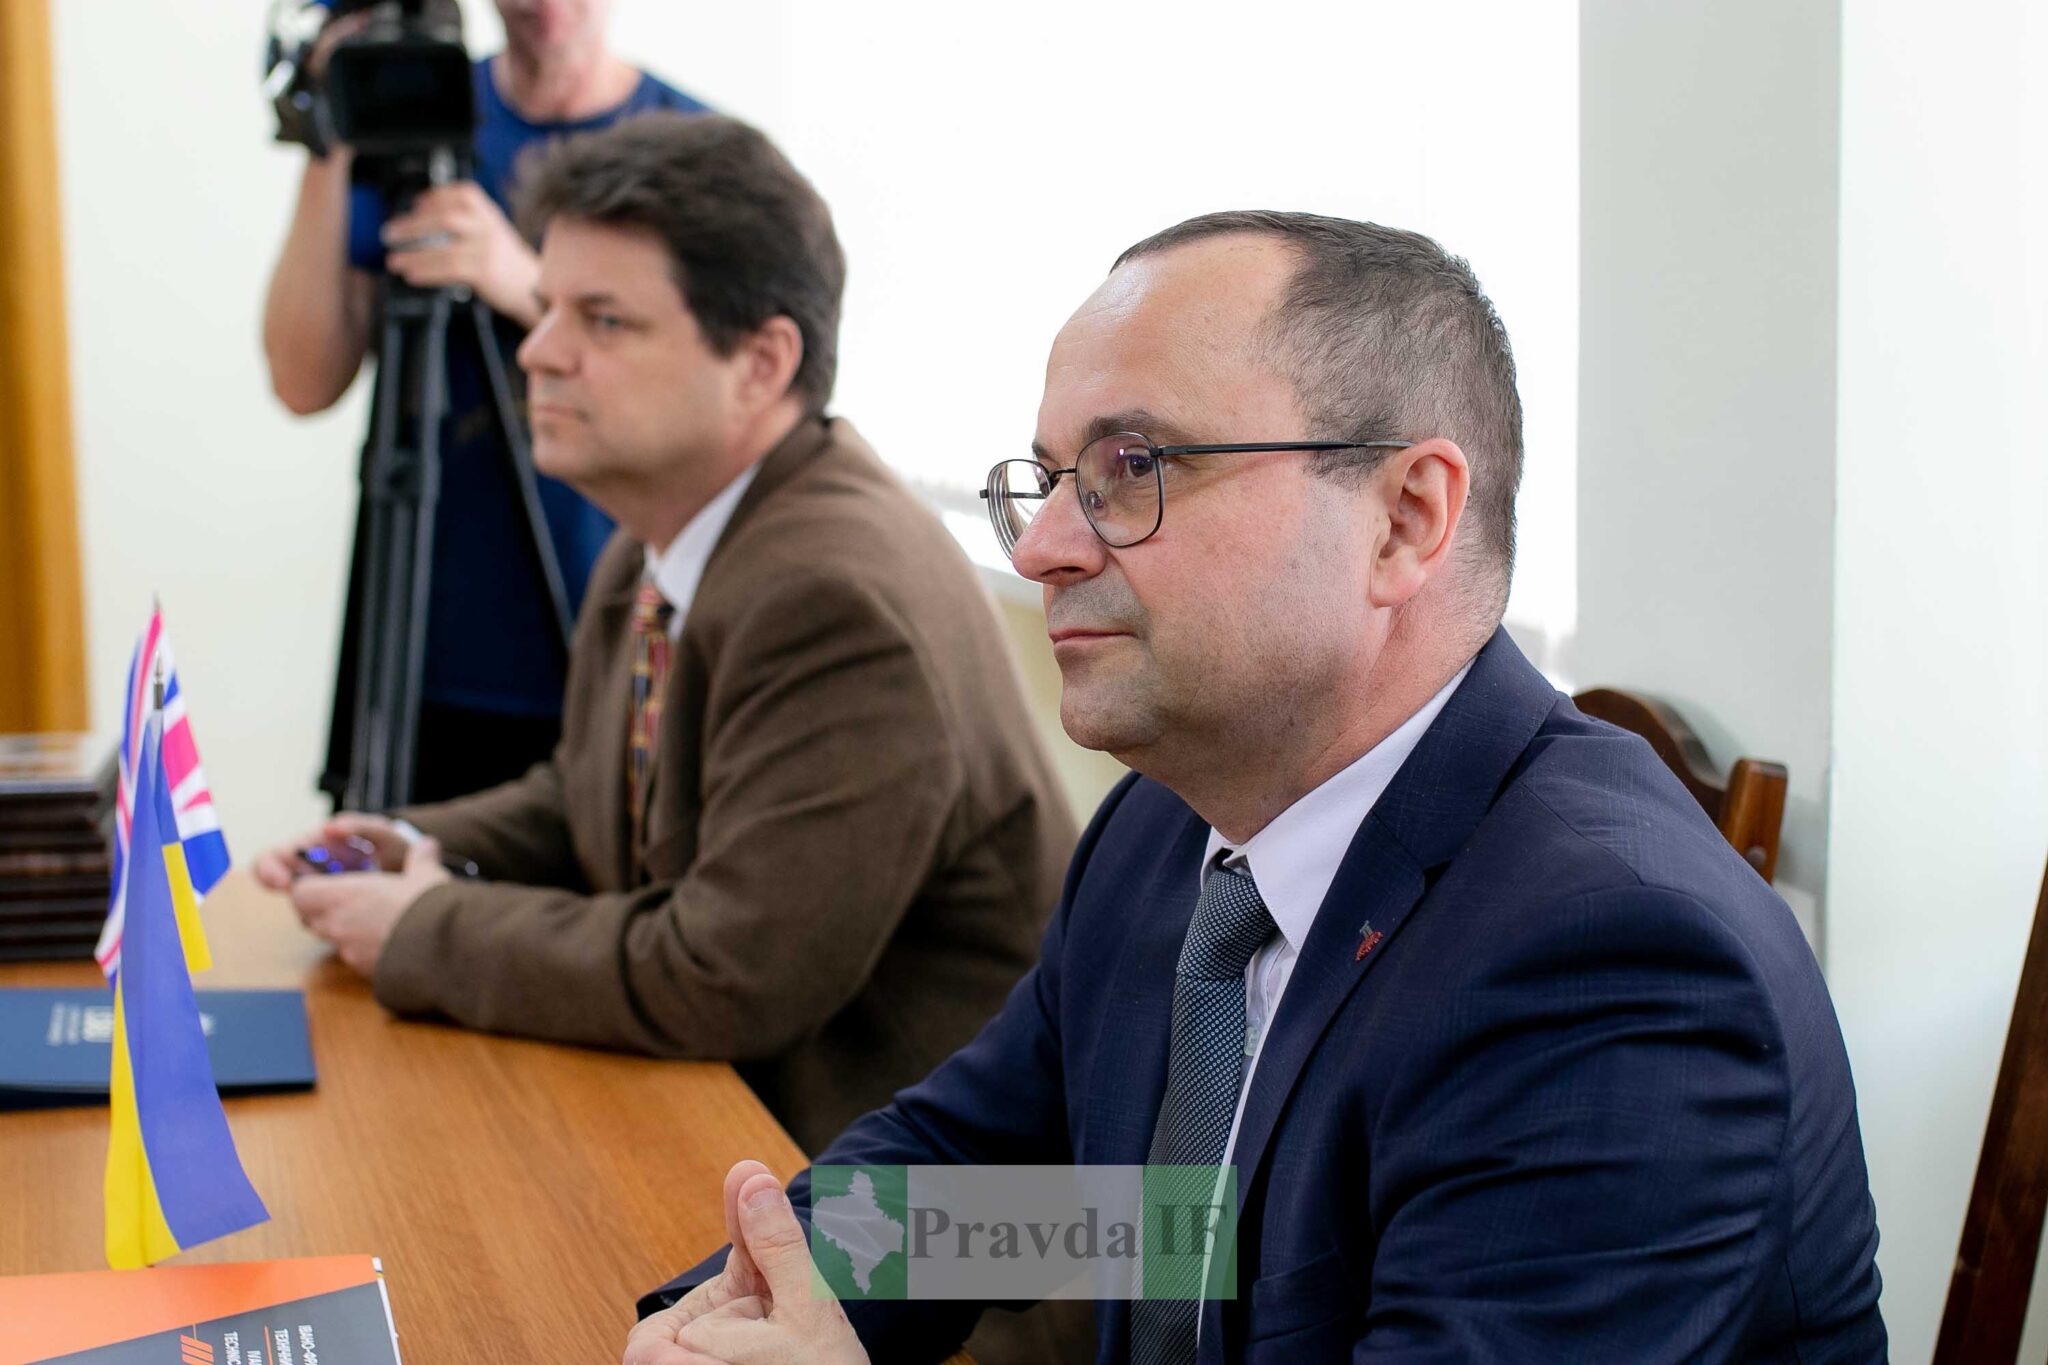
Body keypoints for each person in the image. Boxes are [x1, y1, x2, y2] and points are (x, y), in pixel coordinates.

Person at [631, 213, 1888, 1363]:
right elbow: (985, 1194)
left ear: (1404, 518)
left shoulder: (1611, 968)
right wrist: (739, 1317)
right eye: (1051, 479)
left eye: (1133, 467)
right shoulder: (1169, 825)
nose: (1046, 547)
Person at [253, 113, 1078, 1159]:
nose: (538, 350)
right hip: (740, 1136)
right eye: (549, 306)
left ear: (761, 362)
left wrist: (422, 928)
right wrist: (411, 845)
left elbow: (722, 973)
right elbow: (592, 794)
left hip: (942, 1220)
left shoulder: (832, 598)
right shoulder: (671, 531)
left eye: (601, 321)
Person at [263, 0, 707, 804]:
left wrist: (523, 283)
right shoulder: (413, 109)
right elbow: (303, 378)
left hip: (616, 633)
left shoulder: (691, 148)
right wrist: (334, 128)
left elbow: (709, 393)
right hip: (424, 649)